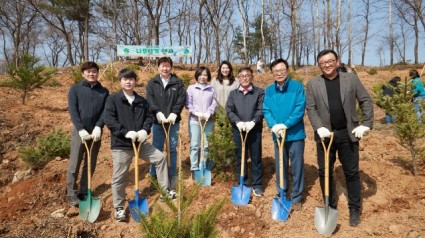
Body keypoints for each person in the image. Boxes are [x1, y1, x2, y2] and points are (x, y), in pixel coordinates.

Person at [306, 49, 374, 227]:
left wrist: (366, 123)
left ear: (336, 62)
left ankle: (354, 209)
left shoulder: (350, 79)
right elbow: (311, 109)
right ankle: (330, 205)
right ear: (319, 65)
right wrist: (319, 127)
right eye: (323, 63)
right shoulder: (313, 83)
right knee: (324, 172)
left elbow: (365, 99)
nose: (327, 65)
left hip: (347, 133)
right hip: (325, 135)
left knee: (351, 173)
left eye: (330, 61)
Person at [104, 68, 171, 221]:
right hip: (122, 144)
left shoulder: (142, 101)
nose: (128, 82)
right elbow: (109, 119)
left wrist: (144, 131)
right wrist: (125, 132)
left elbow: (149, 118)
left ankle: (164, 191)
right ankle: (119, 207)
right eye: (125, 79)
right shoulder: (113, 100)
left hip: (140, 143)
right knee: (119, 177)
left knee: (160, 158)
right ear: (120, 81)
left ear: (135, 82)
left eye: (131, 79)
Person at [263, 58, 306, 211]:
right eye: (276, 71)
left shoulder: (297, 87)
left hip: (295, 134)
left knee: (297, 166)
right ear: (272, 73)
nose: (279, 73)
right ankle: (282, 192)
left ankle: (296, 197)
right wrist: (274, 125)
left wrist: (286, 124)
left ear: (287, 71)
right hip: (278, 134)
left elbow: (300, 108)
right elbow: (266, 109)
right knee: (280, 164)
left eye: (282, 70)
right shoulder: (269, 90)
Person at [67, 61, 109, 207]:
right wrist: (80, 128)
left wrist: (98, 126)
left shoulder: (104, 91)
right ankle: (71, 194)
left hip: (96, 133)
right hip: (80, 132)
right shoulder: (76, 89)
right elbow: (73, 110)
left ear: (98, 73)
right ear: (83, 74)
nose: (91, 74)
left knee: (90, 163)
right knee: (75, 164)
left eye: (94, 71)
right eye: (88, 72)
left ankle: (84, 191)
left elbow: (105, 111)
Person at [146, 57, 186, 195]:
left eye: (167, 66)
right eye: (162, 66)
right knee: (156, 151)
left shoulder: (178, 82)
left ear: (171, 67)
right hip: (158, 123)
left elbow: (181, 99)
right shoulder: (152, 83)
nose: (165, 68)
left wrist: (175, 113)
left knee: (172, 150)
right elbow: (150, 99)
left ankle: (171, 177)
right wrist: (157, 112)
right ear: (158, 68)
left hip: (173, 123)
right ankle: (154, 178)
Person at [226, 67, 265, 197]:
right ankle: (244, 181)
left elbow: (261, 110)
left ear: (252, 77)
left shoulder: (259, 92)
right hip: (238, 130)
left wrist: (253, 122)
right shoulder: (233, 94)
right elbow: (229, 110)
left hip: (254, 130)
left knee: (256, 157)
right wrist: (237, 122)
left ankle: (257, 184)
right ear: (238, 78)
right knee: (240, 156)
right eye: (242, 76)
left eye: (247, 75)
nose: (245, 78)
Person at [185, 67, 218, 179]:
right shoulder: (191, 88)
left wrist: (209, 112)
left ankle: (205, 166)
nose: (203, 77)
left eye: (205, 75)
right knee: (194, 145)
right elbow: (188, 104)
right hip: (195, 120)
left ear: (208, 76)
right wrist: (196, 113)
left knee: (207, 145)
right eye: (200, 74)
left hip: (208, 121)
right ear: (197, 75)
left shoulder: (212, 89)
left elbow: (214, 103)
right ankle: (194, 168)